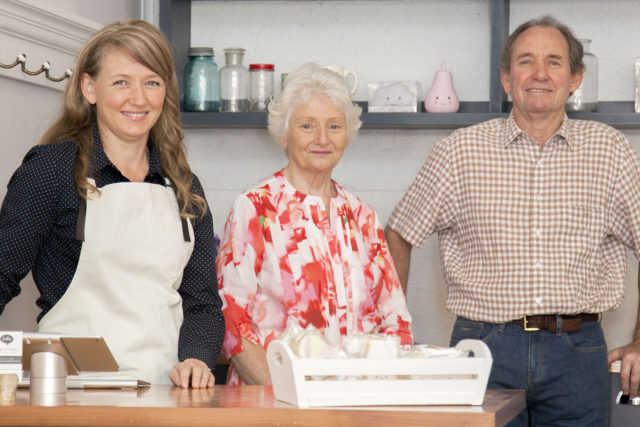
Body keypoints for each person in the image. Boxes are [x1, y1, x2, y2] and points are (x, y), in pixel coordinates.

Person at [385, 15, 640, 426]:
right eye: (525, 61)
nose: (539, 74)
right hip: (483, 349)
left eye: (554, 62)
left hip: (579, 353)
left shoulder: (610, 150)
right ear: (506, 78)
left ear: (575, 78)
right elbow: (399, 233)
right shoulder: (460, 151)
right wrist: (390, 337)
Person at [0, 19, 224, 388]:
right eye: (121, 82)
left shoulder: (184, 186)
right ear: (90, 87)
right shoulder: (53, 170)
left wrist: (197, 360)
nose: (138, 98)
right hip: (70, 391)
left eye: (151, 82)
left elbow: (202, 304)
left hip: (166, 395)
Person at [216, 63, 412, 385]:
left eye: (334, 127)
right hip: (273, 402)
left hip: (354, 407)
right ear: (284, 134)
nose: (322, 138)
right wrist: (281, 392)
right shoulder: (255, 207)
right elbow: (231, 319)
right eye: (307, 126)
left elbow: (395, 322)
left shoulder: (363, 217)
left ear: (347, 135)